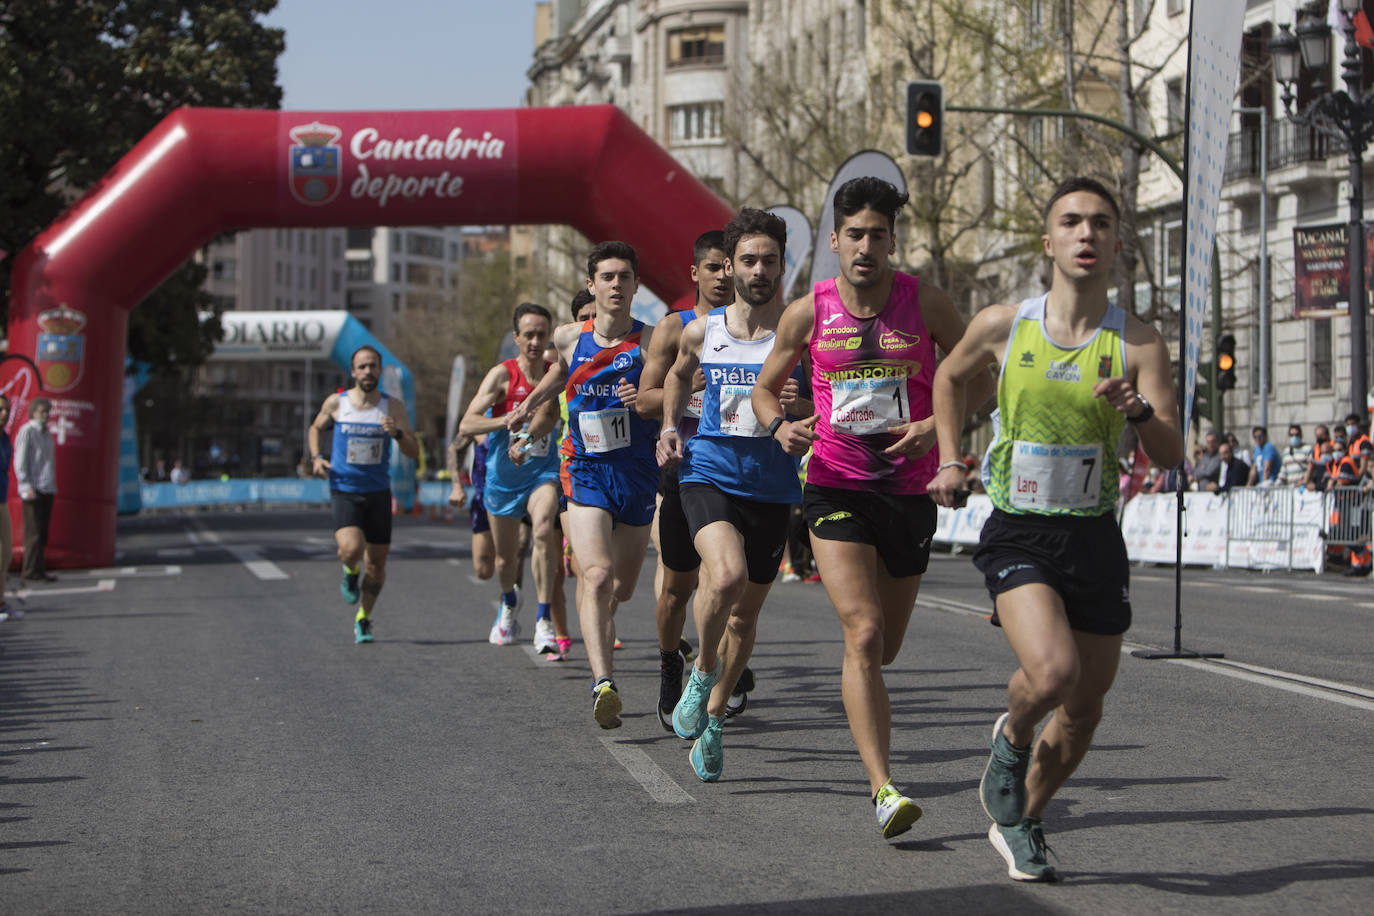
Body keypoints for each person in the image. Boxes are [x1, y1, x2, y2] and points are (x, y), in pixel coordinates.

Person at [928, 176, 1184, 883]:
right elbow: (948, 380)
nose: (1086, 234)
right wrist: (951, 457)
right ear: (1049, 241)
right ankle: (1010, 739)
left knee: (1084, 709)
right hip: (1020, 530)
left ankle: (1022, 820)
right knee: (1053, 672)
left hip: (1094, 535)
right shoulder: (1006, 325)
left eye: (1101, 223)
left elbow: (1171, 453)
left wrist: (1136, 410)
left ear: (1116, 243)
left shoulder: (1138, 342)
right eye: (1071, 221)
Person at [753, 176, 992, 839]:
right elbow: (765, 390)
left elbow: (986, 381)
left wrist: (941, 434)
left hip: (909, 493)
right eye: (854, 234)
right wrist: (780, 428)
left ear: (893, 242)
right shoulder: (807, 310)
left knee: (884, 647)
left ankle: (868, 700)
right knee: (860, 632)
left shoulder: (928, 304)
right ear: (835, 241)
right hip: (833, 482)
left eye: (877, 236)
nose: (865, 246)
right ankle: (883, 787)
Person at [658, 207, 810, 780]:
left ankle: (715, 720)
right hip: (709, 474)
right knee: (724, 576)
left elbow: (830, 402)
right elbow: (676, 375)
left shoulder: (799, 336)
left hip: (771, 488)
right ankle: (699, 674)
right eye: (748, 260)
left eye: (770, 260)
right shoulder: (705, 330)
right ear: (729, 266)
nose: (759, 270)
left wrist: (800, 410)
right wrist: (671, 426)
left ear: (782, 265)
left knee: (744, 621)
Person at [505, 241, 659, 728]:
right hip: (584, 467)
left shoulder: (653, 341)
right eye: (607, 277)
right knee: (594, 575)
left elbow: (690, 384)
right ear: (592, 285)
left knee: (622, 587)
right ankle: (603, 682)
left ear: (636, 285)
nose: (616, 284)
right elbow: (558, 374)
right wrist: (529, 405)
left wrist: (648, 397)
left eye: (625, 276)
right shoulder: (571, 337)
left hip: (636, 474)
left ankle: (600, 622)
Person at [635, 229, 734, 728]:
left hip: (734, 472)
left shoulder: (755, 328)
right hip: (682, 467)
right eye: (712, 267)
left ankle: (716, 672)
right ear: (695, 273)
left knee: (727, 582)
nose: (722, 276)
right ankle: (670, 661)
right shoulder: (674, 328)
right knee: (677, 589)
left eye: (728, 266)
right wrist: (688, 384)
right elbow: (644, 398)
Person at [460, 303, 565, 652]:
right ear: (517, 337)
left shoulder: (555, 374)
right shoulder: (502, 375)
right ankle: (508, 602)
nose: (536, 342)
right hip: (503, 478)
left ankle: (544, 619)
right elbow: (468, 423)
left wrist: (530, 434)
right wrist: (504, 421)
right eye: (529, 335)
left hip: (542, 472)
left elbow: (550, 417)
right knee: (504, 561)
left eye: (541, 334)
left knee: (543, 529)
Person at [308, 346, 419, 643]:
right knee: (351, 548)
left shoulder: (391, 407)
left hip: (378, 492)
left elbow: (413, 450)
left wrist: (396, 433)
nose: (368, 371)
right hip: (345, 488)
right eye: (362, 367)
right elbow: (315, 428)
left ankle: (364, 617)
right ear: (353, 372)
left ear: (379, 371)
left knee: (378, 564)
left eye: (373, 366)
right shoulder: (337, 403)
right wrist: (317, 458)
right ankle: (348, 568)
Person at [14, 397, 57, 584]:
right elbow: (20, 460)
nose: (46, 415)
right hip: (32, 488)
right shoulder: (27, 431)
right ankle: (30, 570)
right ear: (33, 413)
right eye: (42, 412)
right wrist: (25, 485)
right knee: (33, 532)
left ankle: (39, 569)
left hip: (47, 486)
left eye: (47, 412)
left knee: (43, 531)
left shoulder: (46, 433)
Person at [0, 395, 20, 621]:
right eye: (0, 410)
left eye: (6, 409)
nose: (4, 414)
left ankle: (1, 603)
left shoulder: (5, 438)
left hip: (2, 500)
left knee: (5, 555)